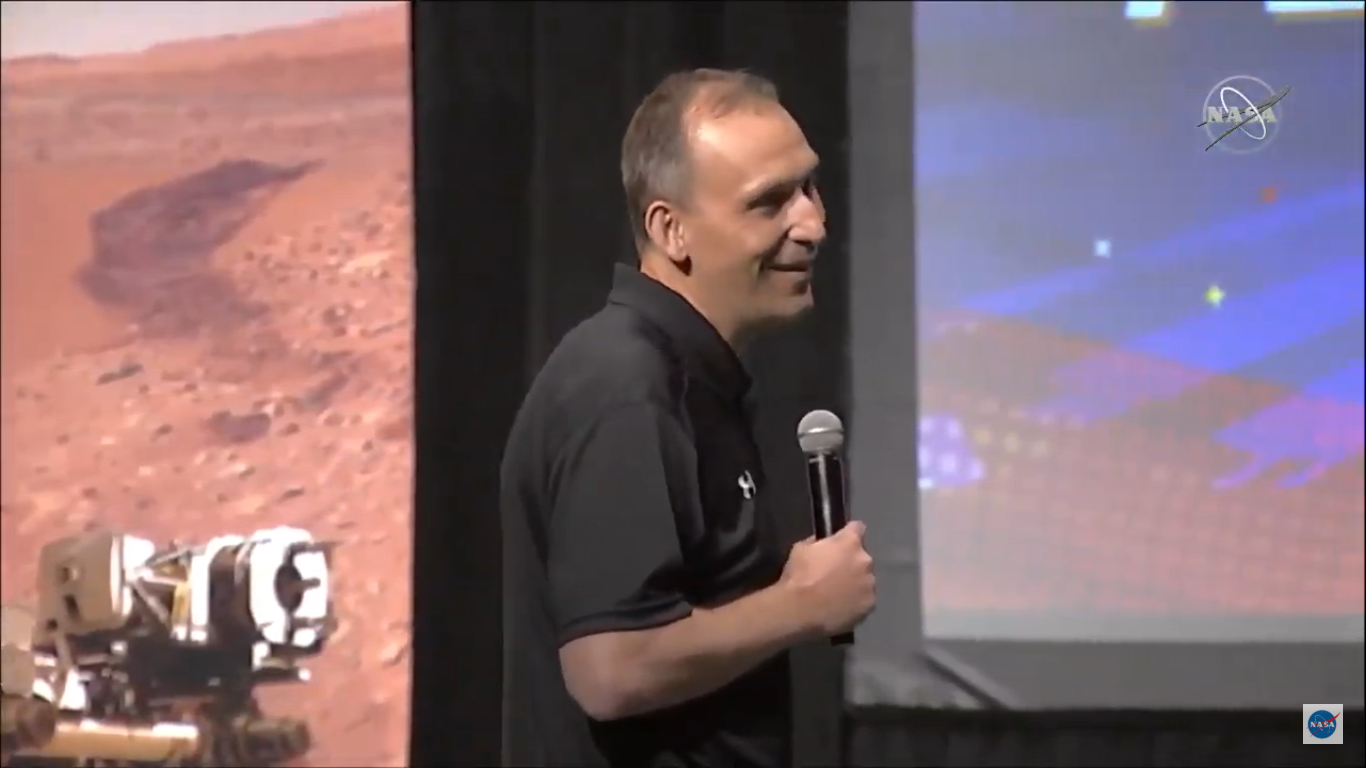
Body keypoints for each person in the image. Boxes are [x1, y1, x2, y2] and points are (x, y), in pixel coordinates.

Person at [501, 68, 877, 767]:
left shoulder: (684, 378)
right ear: (671, 230)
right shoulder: (625, 387)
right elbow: (611, 670)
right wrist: (800, 603)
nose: (813, 225)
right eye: (769, 202)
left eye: (809, 188)